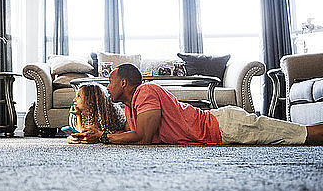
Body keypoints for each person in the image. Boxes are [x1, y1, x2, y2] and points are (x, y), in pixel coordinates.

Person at [71, 63, 323, 145]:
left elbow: (144, 138)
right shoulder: (131, 106)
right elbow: (126, 133)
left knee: (302, 135)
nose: (108, 86)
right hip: (220, 129)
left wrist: (104, 137)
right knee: (299, 133)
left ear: (125, 83)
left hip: (226, 126)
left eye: (111, 81)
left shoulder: (146, 92)